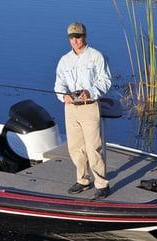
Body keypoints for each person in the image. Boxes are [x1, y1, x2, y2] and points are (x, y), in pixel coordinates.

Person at [54, 22, 112, 199]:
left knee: (93, 147)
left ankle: (102, 183)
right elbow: (59, 84)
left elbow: (105, 81)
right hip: (70, 109)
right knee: (75, 147)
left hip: (89, 107)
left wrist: (90, 92)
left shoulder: (96, 56)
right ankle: (83, 180)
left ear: (84, 36)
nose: (75, 41)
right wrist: (64, 96)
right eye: (71, 38)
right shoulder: (64, 60)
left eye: (78, 37)